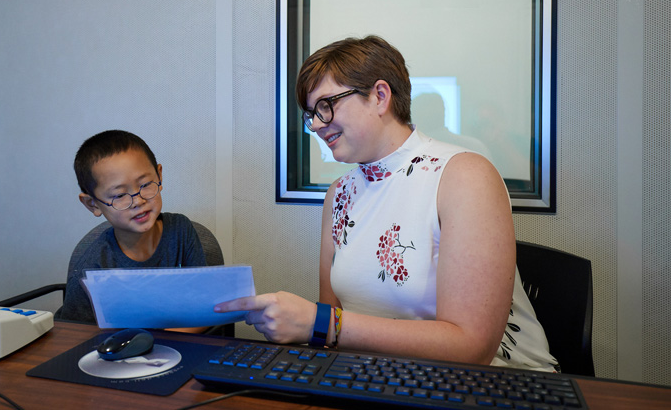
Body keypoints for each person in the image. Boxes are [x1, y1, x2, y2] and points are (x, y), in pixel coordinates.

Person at [215, 35, 558, 371]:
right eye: (311, 114)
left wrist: (320, 324)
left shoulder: (465, 175)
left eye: (326, 106)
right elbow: (330, 328)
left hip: (491, 381)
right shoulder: (339, 194)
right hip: (379, 374)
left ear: (380, 96)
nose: (317, 125)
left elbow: (473, 349)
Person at [58, 129, 207, 333]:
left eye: (145, 184)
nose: (138, 201)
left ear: (159, 175)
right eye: (119, 195)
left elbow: (205, 304)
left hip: (175, 346)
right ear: (92, 204)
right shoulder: (92, 268)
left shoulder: (181, 230)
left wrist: (161, 341)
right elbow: (73, 337)